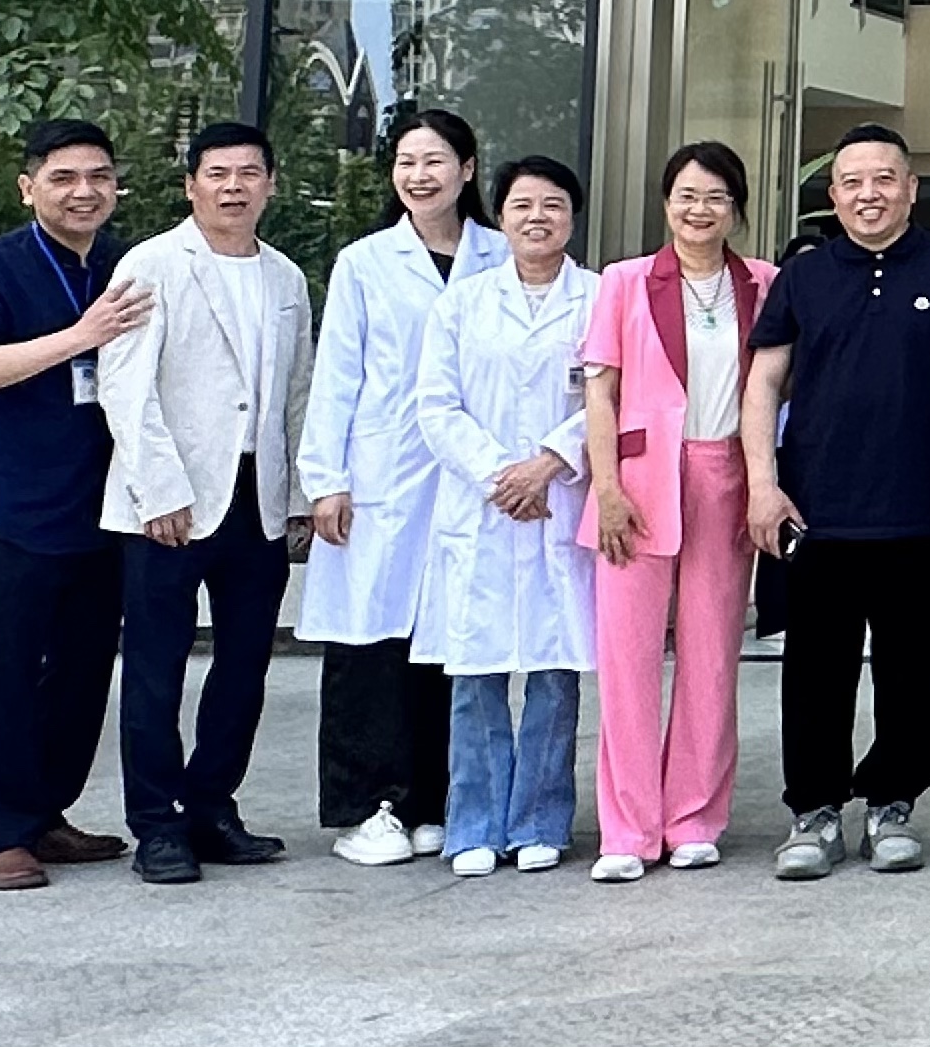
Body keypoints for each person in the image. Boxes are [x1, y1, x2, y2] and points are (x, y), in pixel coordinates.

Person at [741, 123, 930, 882]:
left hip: (924, 506)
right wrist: (762, 483)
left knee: (916, 670)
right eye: (851, 182)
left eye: (883, 179)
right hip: (817, 509)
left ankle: (892, 804)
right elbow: (764, 382)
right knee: (815, 670)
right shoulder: (805, 275)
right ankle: (814, 812)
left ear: (911, 188)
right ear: (834, 194)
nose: (868, 195)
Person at [96, 121, 318, 886]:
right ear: (191, 185)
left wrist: (298, 494)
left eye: (249, 173)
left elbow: (297, 392)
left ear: (270, 184)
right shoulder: (151, 263)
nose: (233, 187)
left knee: (245, 667)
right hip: (171, 503)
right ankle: (157, 825)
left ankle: (212, 808)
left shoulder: (286, 278)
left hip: (257, 499)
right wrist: (158, 489)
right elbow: (126, 386)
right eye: (217, 174)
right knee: (155, 670)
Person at [0, 119, 151, 891]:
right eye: (63, 178)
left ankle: (45, 815)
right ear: (28, 188)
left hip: (104, 508)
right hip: (14, 508)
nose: (83, 191)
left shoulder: (130, 266)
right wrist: (79, 335)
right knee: (5, 675)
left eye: (98, 176)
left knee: (81, 674)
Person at [297, 110, 504, 869]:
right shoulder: (365, 262)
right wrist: (326, 480)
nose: (420, 175)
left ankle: (431, 801)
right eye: (407, 162)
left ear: (468, 169)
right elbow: (336, 374)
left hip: (467, 477)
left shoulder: (502, 255)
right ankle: (368, 806)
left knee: (449, 642)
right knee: (371, 642)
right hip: (381, 474)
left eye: (435, 160)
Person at [580, 141, 773, 882]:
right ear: (666, 203)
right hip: (636, 482)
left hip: (727, 474)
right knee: (627, 661)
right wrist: (606, 489)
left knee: (711, 655)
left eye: (716, 197)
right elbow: (600, 391)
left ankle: (694, 817)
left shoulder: (762, 283)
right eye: (687, 195)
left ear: (737, 209)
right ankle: (628, 829)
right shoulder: (625, 281)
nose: (700, 210)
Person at [408, 156, 599, 877]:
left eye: (552, 204)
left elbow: (612, 398)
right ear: (500, 216)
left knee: (554, 671)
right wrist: (501, 474)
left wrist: (548, 463)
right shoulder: (463, 302)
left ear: (572, 217)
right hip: (483, 506)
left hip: (561, 498)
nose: (537, 217)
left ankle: (541, 821)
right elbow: (436, 405)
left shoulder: (598, 297)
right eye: (522, 205)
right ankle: (474, 825)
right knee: (477, 675)